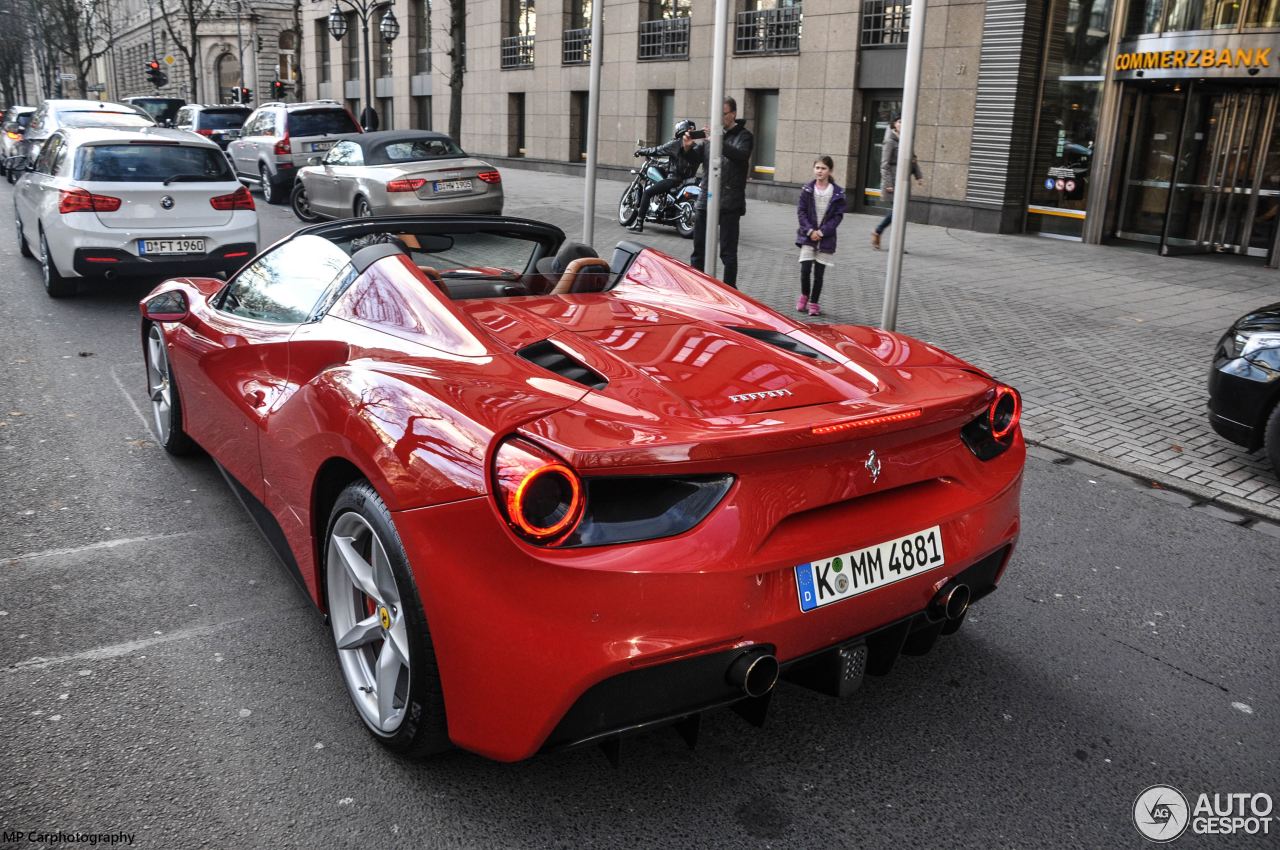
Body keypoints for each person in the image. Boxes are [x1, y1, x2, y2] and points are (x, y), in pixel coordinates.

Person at [680, 96, 754, 288]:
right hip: (706, 198)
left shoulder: (744, 136)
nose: (719, 119)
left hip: (730, 202)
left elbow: (741, 156)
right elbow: (696, 160)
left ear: (733, 114)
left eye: (722, 114)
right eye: (716, 115)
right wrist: (687, 149)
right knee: (699, 250)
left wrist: (717, 141)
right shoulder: (711, 136)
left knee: (728, 253)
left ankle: (729, 290)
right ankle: (696, 288)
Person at [794, 155, 846, 317]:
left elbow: (837, 217)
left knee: (819, 274)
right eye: (817, 168)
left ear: (829, 171)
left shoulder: (837, 193)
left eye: (823, 168)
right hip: (808, 236)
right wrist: (810, 231)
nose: (820, 171)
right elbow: (801, 212)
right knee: (805, 269)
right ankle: (804, 295)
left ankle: (814, 303)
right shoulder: (807, 190)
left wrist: (822, 232)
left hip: (826, 238)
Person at [628, 119, 699, 234]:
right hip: (688, 181)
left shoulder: (676, 143)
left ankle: (639, 223)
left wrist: (641, 152)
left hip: (674, 180)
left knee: (647, 193)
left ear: (679, 130)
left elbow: (658, 150)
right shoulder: (695, 147)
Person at [871, 115, 922, 250]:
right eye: (899, 121)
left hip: (904, 180)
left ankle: (880, 232)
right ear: (894, 124)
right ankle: (884, 235)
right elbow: (884, 164)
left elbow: (913, 159)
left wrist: (918, 176)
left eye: (905, 122)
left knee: (899, 211)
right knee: (899, 211)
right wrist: (888, 183)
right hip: (893, 181)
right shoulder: (889, 141)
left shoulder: (907, 140)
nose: (902, 124)